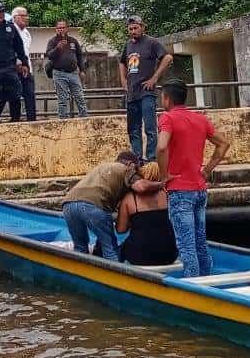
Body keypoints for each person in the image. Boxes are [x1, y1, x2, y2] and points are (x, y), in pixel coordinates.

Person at [156, 79, 231, 278]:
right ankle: (207, 279)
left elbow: (162, 146)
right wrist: (207, 170)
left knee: (186, 244)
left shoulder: (167, 118)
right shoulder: (200, 119)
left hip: (180, 190)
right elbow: (223, 144)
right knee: (200, 241)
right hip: (199, 188)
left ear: (167, 98)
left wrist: (164, 176)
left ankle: (194, 286)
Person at [61, 152, 164, 261]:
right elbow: (141, 187)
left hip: (68, 204)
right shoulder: (126, 169)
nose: (138, 171)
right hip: (92, 206)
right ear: (130, 163)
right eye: (137, 167)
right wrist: (162, 184)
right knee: (110, 250)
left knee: (80, 249)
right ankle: (114, 276)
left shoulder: (103, 167)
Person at [119, 16, 173, 161]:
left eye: (135, 28)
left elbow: (167, 58)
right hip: (132, 93)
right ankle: (137, 159)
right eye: (130, 29)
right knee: (133, 129)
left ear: (142, 27)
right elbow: (122, 62)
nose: (133, 31)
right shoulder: (128, 45)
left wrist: (154, 78)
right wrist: (123, 80)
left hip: (146, 92)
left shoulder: (151, 42)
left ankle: (151, 158)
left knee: (150, 128)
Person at [116, 162, 178, 266]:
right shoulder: (167, 195)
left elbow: (121, 230)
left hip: (140, 256)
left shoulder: (129, 198)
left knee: (118, 249)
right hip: (169, 255)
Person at [45, 19, 89, 118]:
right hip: (59, 73)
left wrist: (82, 70)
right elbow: (49, 55)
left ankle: (84, 117)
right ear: (56, 29)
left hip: (73, 73)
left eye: (63, 27)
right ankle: (63, 120)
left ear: (67, 29)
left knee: (79, 96)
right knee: (62, 99)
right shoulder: (52, 41)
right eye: (59, 28)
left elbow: (79, 55)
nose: (61, 29)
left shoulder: (73, 41)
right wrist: (58, 48)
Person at [9, 6, 37, 122]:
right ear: (15, 17)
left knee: (30, 96)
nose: (26, 18)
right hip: (14, 70)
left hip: (27, 70)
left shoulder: (26, 33)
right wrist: (17, 64)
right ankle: (15, 123)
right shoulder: (9, 30)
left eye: (26, 15)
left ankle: (32, 122)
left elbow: (26, 52)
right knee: (14, 98)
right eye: (23, 16)